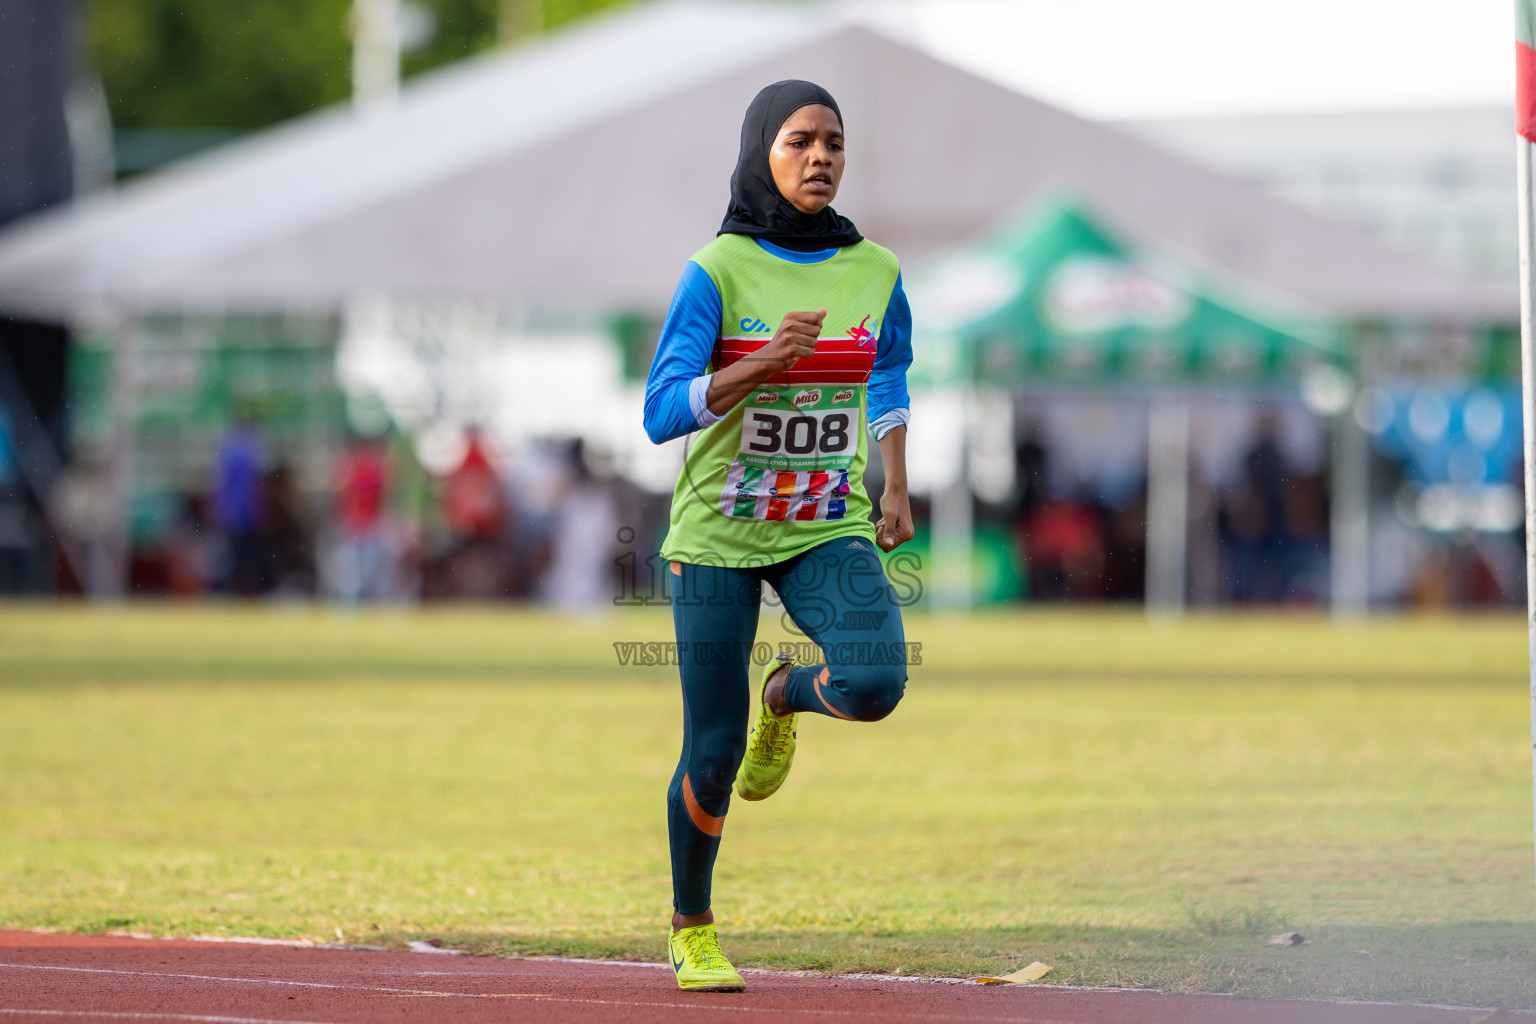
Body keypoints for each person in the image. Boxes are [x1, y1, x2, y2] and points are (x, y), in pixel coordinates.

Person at [642, 80, 915, 992]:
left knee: (876, 683)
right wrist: (760, 363)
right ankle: (692, 927)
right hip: (717, 536)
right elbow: (657, 413)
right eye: (800, 141)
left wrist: (897, 480)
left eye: (834, 142)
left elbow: (889, 375)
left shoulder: (875, 271)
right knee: (712, 752)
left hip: (824, 524)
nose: (821, 157)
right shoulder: (715, 271)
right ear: (763, 149)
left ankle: (787, 694)